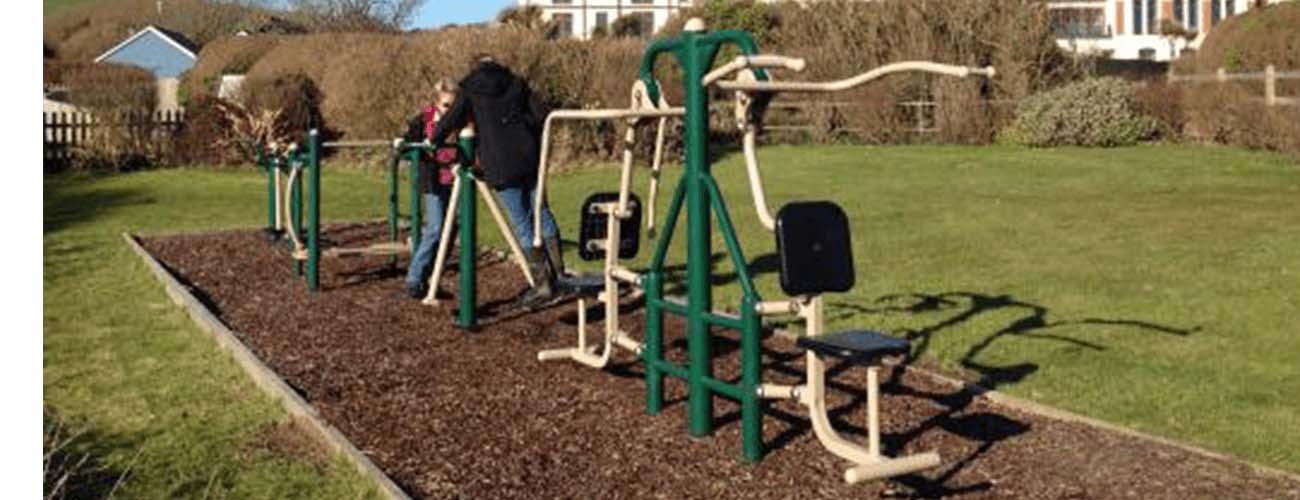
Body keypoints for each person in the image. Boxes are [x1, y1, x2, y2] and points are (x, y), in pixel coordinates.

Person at [427, 54, 564, 309]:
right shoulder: (517, 83)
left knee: (521, 221)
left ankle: (544, 285)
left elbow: (452, 118)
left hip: (500, 161)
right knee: (541, 211)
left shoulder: (470, 88)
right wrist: (522, 130)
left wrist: (433, 140)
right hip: (528, 156)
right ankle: (560, 276)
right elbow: (541, 114)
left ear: (475, 67)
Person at [402, 78, 461, 299]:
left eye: (453, 105)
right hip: (435, 180)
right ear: (436, 103)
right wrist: (406, 145)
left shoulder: (460, 121)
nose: (449, 110)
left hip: (455, 179)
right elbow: (408, 140)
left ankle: (433, 275)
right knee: (436, 228)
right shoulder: (424, 120)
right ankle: (414, 278)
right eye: (446, 105)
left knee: (455, 227)